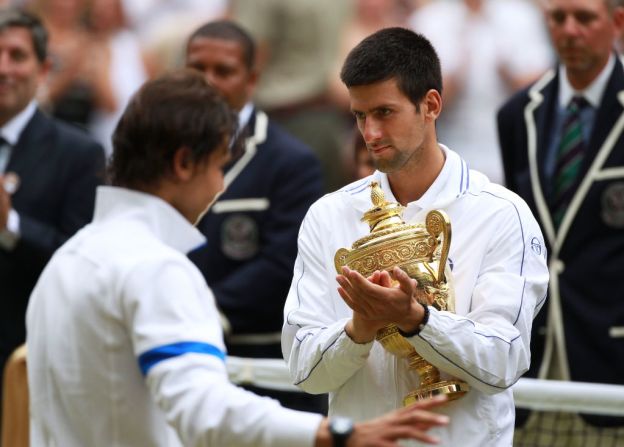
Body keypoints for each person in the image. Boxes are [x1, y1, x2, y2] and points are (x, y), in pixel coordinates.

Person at [26, 69, 450, 447]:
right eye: (219, 167)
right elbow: (204, 411)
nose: (220, 187)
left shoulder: (66, 260)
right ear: (183, 164)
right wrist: (338, 433)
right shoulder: (157, 269)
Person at [281, 27, 549, 447]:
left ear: (431, 105)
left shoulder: (503, 214)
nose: (369, 133)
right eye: (359, 115)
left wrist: (417, 321)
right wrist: (361, 327)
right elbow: (305, 372)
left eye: (384, 112)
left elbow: (504, 362)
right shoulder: (327, 215)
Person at [497, 0, 624, 435]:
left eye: (585, 17)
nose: (569, 30)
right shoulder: (516, 114)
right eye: (558, 18)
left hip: (611, 361)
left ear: (617, 22)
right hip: (532, 360)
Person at [185, 20, 325, 413]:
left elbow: (285, 263)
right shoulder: (161, 155)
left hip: (261, 367)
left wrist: (201, 309)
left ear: (251, 79)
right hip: (177, 356)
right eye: (197, 68)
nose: (208, 82)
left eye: (223, 71)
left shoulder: (291, 162)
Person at [0, 7, 105, 405]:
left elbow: (82, 264)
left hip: (33, 358)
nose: (3, 67)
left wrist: (9, 224)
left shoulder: (79, 153)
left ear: (43, 69)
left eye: (16, 55)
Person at [408, 0, 552, 185]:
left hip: (513, 154)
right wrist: (453, 79)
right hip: (447, 156)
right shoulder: (429, 20)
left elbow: (544, 86)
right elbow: (415, 105)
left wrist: (511, 75)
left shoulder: (521, 16)